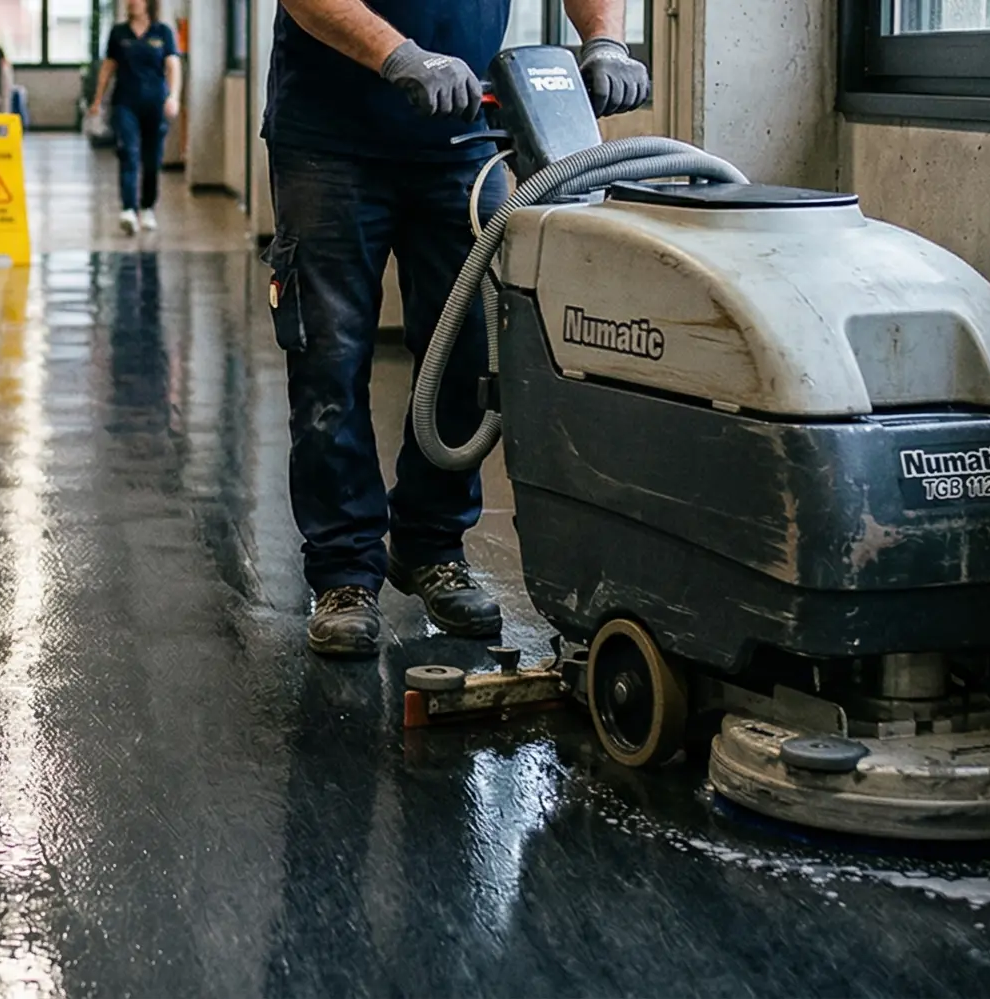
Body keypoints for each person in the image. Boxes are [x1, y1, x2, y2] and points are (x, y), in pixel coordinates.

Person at [264, 0, 648, 655]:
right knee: (329, 358)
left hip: (462, 136)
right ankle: (344, 572)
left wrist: (604, 40)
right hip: (329, 140)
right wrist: (396, 55)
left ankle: (429, 544)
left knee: (472, 351)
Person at [88, 0, 181, 236]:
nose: (132, 2)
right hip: (125, 103)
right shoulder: (119, 33)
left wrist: (174, 96)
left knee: (152, 159)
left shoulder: (162, 32)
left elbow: (173, 65)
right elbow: (109, 66)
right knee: (128, 153)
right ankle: (128, 209)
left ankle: (147, 207)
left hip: (155, 104)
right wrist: (98, 99)